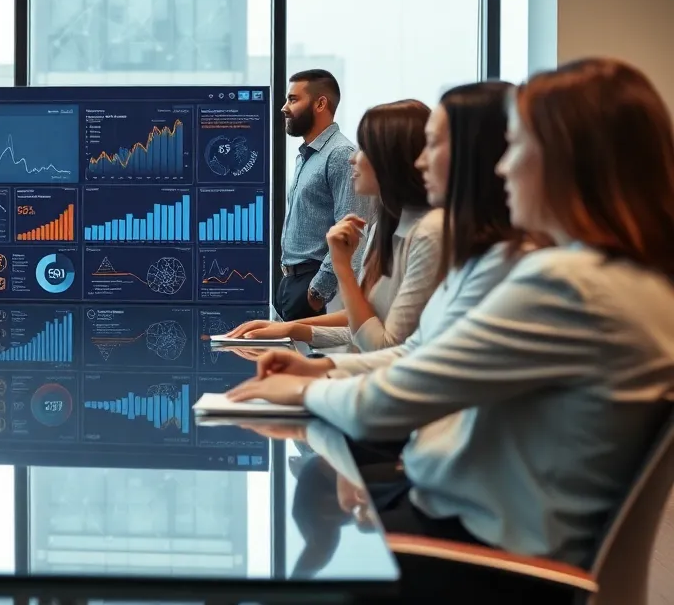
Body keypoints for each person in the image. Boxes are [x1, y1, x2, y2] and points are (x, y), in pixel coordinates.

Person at [230, 59, 674, 601]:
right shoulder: (625, 279)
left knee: (267, 580)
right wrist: (320, 366)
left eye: (517, 146)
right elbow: (419, 352)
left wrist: (304, 387)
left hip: (485, 556)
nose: (502, 166)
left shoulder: (568, 283)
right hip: (479, 525)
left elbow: (390, 402)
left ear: (566, 160)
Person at [243, 81, 534, 382]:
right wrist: (294, 332)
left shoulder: (434, 234)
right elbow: (383, 333)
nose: (354, 158)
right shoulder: (387, 225)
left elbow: (390, 347)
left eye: (433, 144)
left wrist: (339, 270)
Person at [230, 100, 440, 353]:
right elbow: (363, 323)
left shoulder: (428, 236)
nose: (353, 158)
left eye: (364, 149)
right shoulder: (382, 228)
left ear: (391, 159)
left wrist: (341, 268)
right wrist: (290, 328)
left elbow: (383, 344)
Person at [276, 69, 374, 320]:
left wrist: (317, 292)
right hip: (293, 282)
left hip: (317, 286)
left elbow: (352, 232)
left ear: (321, 103)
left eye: (293, 99)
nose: (284, 108)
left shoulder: (340, 155)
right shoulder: (308, 156)